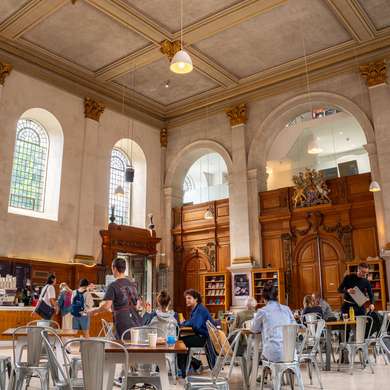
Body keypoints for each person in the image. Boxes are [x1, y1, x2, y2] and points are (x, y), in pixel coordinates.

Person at [90, 257, 141, 339]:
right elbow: (137, 305)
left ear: (114, 268)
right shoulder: (133, 285)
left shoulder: (113, 285)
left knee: (121, 348)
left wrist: (94, 311)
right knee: (133, 347)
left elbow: (106, 306)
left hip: (122, 322)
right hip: (136, 321)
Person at [251, 281, 295, 362]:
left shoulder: (262, 311)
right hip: (291, 353)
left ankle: (268, 373)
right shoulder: (286, 309)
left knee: (261, 352)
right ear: (276, 296)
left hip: (274, 354)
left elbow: (254, 329)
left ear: (263, 297)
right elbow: (294, 327)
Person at [178, 289, 215, 377]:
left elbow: (195, 325)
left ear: (196, 299)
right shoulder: (196, 309)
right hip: (202, 336)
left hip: (205, 338)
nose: (187, 300)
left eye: (189, 298)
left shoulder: (200, 310)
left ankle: (184, 370)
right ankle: (195, 364)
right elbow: (193, 322)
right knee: (180, 340)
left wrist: (183, 323)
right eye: (186, 298)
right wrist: (186, 323)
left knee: (180, 342)